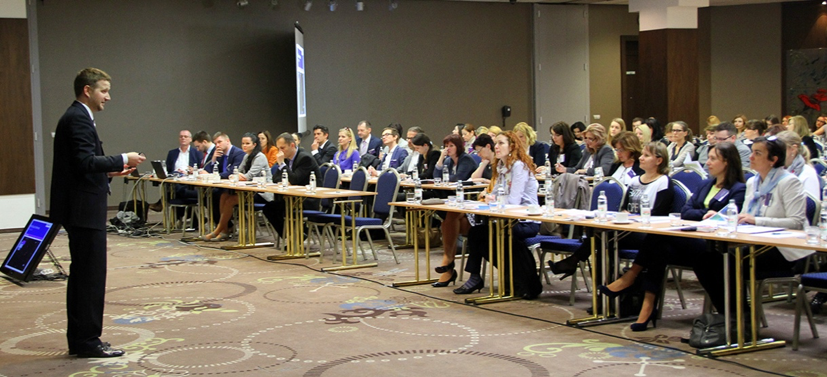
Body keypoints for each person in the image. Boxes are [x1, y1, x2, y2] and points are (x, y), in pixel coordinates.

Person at [598, 141, 746, 331]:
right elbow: (686, 211)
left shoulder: (738, 188)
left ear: (726, 162)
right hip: (691, 238)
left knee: (660, 236)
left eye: (712, 159)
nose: (707, 162)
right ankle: (647, 304)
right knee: (660, 247)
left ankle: (632, 277)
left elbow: (728, 215)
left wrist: (703, 213)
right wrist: (705, 213)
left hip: (711, 244)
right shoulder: (706, 184)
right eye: (708, 157)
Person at [50, 68, 146, 358]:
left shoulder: (76, 116)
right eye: (104, 90)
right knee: (90, 277)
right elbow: (83, 161)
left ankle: (83, 339)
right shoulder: (78, 117)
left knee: (85, 276)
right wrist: (121, 158)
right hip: (83, 210)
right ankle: (87, 341)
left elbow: (83, 164)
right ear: (87, 91)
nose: (109, 96)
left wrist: (111, 170)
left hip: (81, 207)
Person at [698, 136, 811, 315]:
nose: (750, 157)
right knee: (705, 260)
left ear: (773, 160)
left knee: (727, 263)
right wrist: (720, 217)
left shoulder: (789, 182)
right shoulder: (753, 182)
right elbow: (743, 216)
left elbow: (796, 223)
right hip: (754, 242)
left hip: (784, 250)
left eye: (757, 153)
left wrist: (756, 220)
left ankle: (740, 317)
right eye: (752, 152)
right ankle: (730, 315)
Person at [549, 142, 674, 280]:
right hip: (630, 228)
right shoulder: (635, 181)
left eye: (646, 155)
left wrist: (633, 218)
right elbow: (625, 207)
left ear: (659, 160)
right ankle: (604, 282)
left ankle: (583, 268)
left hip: (649, 233)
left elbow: (659, 213)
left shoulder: (663, 182)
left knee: (602, 237)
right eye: (642, 154)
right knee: (602, 236)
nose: (641, 158)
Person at [453, 131, 542, 299]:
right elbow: (492, 194)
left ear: (512, 146)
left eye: (501, 143)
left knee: (493, 237)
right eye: (496, 143)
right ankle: (476, 277)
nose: (497, 147)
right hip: (506, 220)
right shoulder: (502, 166)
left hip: (526, 220)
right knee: (477, 233)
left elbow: (513, 201)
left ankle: (517, 279)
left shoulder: (519, 166)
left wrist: (492, 198)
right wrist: (490, 197)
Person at [199, 133, 273, 241]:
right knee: (224, 196)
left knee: (230, 201)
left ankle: (218, 230)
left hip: (262, 193)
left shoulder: (260, 157)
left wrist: (238, 176)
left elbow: (248, 176)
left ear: (254, 144)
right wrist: (236, 175)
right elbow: (237, 172)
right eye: (243, 143)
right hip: (248, 191)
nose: (244, 146)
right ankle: (224, 230)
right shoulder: (247, 156)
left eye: (247, 143)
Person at [433, 134, 481, 286]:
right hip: (458, 204)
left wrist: (445, 178)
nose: (448, 149)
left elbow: (457, 179)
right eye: (446, 146)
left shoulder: (466, 159)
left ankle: (448, 265)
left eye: (451, 146)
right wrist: (440, 159)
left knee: (450, 219)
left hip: (473, 204)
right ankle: (448, 265)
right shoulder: (447, 160)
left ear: (458, 146)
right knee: (450, 219)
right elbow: (436, 177)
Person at [263, 133, 321, 238]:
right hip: (292, 198)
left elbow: (294, 179)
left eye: (282, 148)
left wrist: (282, 165)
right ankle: (292, 236)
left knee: (277, 209)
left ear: (292, 146)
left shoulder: (305, 158)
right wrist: (284, 179)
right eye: (278, 148)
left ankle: (296, 236)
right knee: (269, 208)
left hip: (308, 199)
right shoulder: (285, 158)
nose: (280, 152)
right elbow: (275, 178)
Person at [776, 130, 820, 198]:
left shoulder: (807, 173)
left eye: (780, 150)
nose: (775, 154)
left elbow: (808, 207)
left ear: (793, 149)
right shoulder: (776, 169)